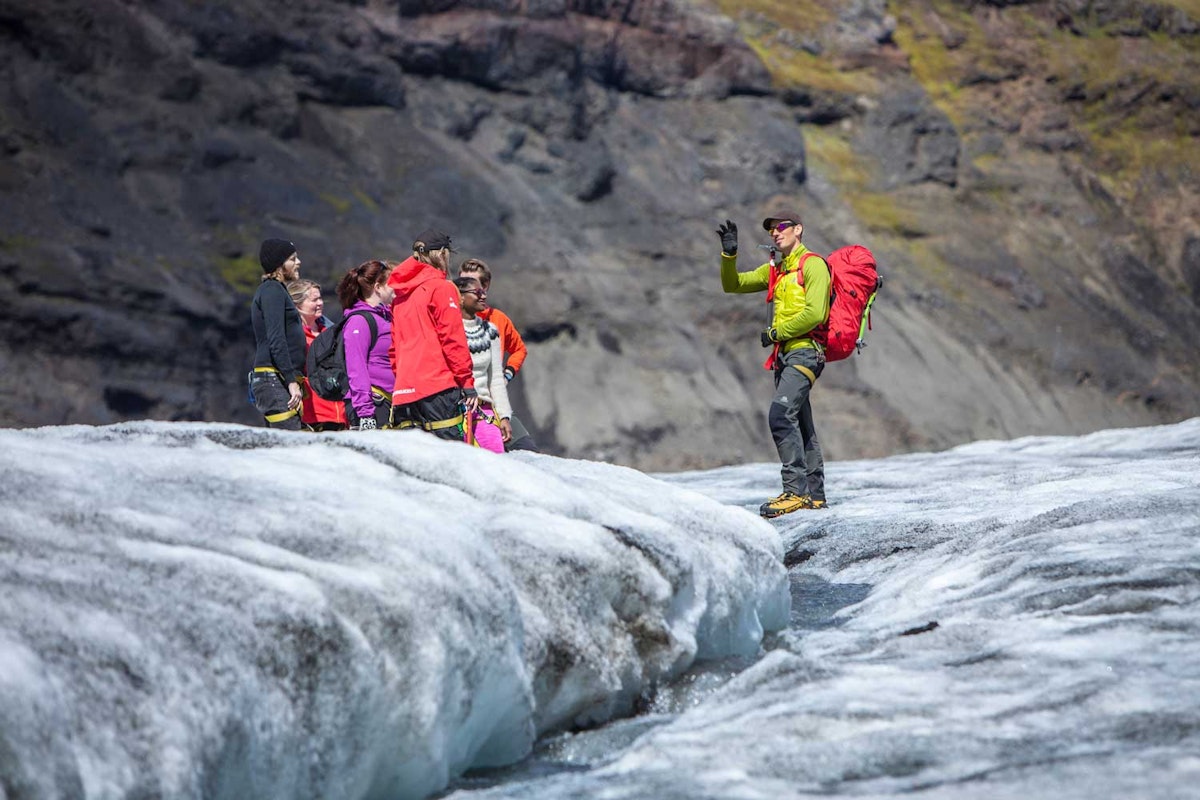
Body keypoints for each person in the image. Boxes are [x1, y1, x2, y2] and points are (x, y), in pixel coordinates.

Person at [717, 211, 831, 517]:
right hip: (784, 356)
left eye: (781, 227)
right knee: (801, 424)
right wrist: (729, 255)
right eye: (771, 230)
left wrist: (776, 332)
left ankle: (795, 491)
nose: (775, 233)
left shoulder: (814, 265)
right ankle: (815, 496)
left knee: (781, 415)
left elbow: (816, 313)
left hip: (806, 352)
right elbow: (734, 285)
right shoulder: (777, 271)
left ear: (798, 229)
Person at [388, 229, 477, 440]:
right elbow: (452, 339)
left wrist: (403, 379)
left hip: (404, 390)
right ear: (443, 254)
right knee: (450, 458)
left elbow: (394, 349)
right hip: (437, 387)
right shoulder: (442, 288)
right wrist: (466, 382)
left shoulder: (400, 296)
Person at [457, 258, 539, 452]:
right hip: (464, 405)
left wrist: (507, 374)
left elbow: (519, 349)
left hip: (492, 402)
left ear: (485, 286)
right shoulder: (450, 322)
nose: (464, 288)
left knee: (526, 449)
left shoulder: (497, 321)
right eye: (462, 283)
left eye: (473, 284)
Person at [249, 238, 305, 430]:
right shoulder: (272, 290)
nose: (298, 263)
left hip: (277, 377)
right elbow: (276, 339)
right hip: (274, 378)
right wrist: (291, 381)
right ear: (280, 264)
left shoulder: (277, 290)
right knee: (291, 446)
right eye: (293, 259)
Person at [454, 275, 512, 452]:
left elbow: (495, 378)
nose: (483, 296)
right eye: (477, 292)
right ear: (460, 297)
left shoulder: (490, 331)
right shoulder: (447, 329)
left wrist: (504, 416)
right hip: (454, 413)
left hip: (483, 412)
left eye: (484, 292)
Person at [336, 260, 395, 431]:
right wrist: (365, 413)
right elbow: (356, 367)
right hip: (374, 405)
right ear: (378, 286)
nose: (396, 288)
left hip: (388, 402)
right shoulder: (359, 321)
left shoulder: (384, 317)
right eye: (391, 283)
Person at [287, 279, 348, 431]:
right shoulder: (292, 336)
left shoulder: (330, 332)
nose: (320, 303)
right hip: (312, 412)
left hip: (340, 410)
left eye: (320, 298)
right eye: (314, 300)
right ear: (296, 304)